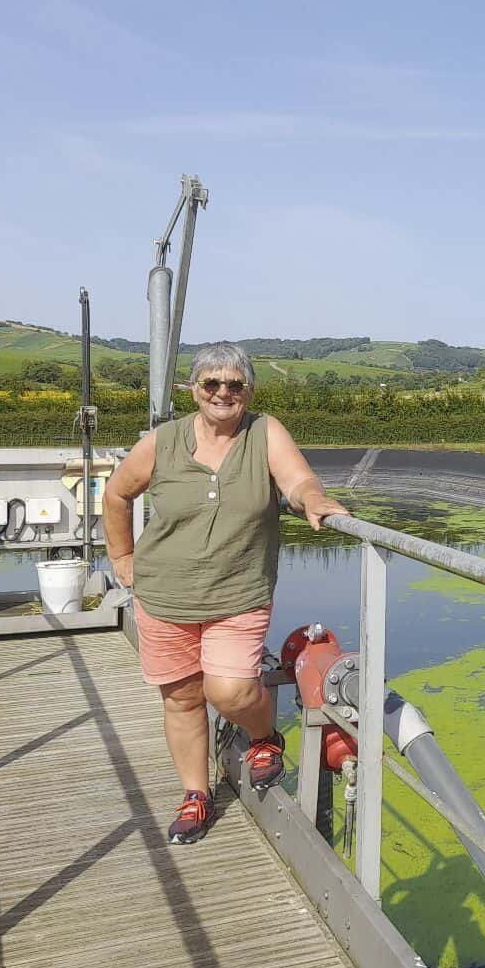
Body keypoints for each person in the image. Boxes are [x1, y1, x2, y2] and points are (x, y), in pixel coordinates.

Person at [102, 342, 350, 844]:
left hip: (239, 593)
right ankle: (196, 795)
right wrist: (122, 558)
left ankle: (264, 737)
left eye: (234, 384)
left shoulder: (264, 432)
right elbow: (116, 493)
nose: (222, 393)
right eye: (211, 383)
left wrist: (314, 499)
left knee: (229, 690)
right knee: (182, 698)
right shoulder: (162, 441)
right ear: (192, 389)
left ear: (248, 391)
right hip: (164, 597)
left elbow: (297, 478)